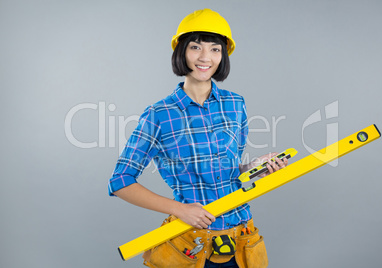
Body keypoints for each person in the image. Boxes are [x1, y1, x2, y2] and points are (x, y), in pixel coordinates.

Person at [108, 8, 288, 268]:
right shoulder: (159, 114)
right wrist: (180, 210)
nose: (205, 57)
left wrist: (254, 168)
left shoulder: (235, 104)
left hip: (243, 242)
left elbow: (227, 172)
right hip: (191, 246)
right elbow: (120, 182)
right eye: (195, 47)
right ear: (182, 52)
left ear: (223, 55)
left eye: (215, 49)